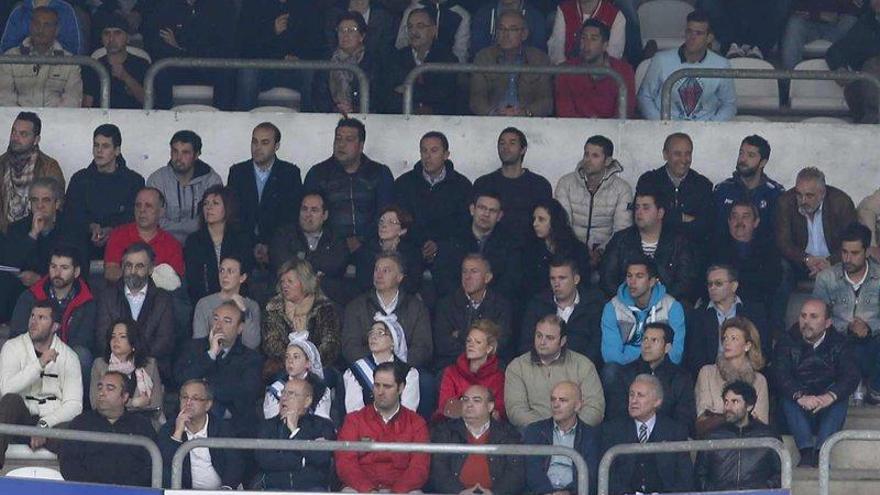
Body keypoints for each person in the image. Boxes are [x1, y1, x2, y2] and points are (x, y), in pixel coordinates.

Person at [774, 298, 859, 467]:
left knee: (839, 398)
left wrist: (830, 396)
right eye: (803, 316)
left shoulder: (840, 343)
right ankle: (806, 452)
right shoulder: (786, 341)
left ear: (827, 322)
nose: (806, 322)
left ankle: (822, 452)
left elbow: (851, 375)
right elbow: (779, 375)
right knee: (788, 398)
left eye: (813, 317)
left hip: (825, 410)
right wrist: (800, 396)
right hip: (796, 411)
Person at [0, 301, 82, 467]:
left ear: (55, 326)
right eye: (32, 316)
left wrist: (45, 424)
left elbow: (74, 405)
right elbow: (6, 389)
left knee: (77, 428)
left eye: (42, 318)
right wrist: (39, 364)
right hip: (20, 421)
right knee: (10, 401)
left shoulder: (69, 356)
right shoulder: (12, 347)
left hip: (52, 426)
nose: (33, 322)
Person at [336, 361, 431, 492]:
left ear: (401, 388)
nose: (380, 392)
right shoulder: (354, 420)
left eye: (387, 386)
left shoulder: (416, 423)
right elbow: (345, 463)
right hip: (361, 490)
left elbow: (419, 467)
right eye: (376, 385)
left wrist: (397, 491)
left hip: (402, 491)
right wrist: (368, 490)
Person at [0, 177, 86, 322]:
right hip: (21, 296)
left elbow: (80, 270)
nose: (39, 206)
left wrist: (41, 280)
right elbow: (9, 265)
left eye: (46, 200)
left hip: (59, 294)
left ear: (57, 203)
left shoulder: (73, 230)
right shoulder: (17, 229)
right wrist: (32, 235)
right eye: (34, 200)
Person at [175, 301, 264, 437]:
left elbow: (246, 393)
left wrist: (204, 386)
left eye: (227, 321)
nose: (218, 325)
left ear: (240, 328)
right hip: (190, 422)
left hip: (233, 428)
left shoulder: (251, 358)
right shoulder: (193, 348)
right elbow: (181, 379)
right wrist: (210, 355)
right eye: (215, 318)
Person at [303, 118, 394, 251]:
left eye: (349, 140)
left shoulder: (379, 173)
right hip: (329, 244)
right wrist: (338, 242)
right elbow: (311, 215)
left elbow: (386, 213)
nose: (341, 145)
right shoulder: (318, 174)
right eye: (338, 139)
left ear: (361, 145)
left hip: (371, 243)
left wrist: (361, 239)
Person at [813, 222, 880, 402]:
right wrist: (847, 327)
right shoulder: (827, 278)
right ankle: (854, 387)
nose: (848, 258)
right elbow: (817, 317)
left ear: (867, 252)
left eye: (855, 253)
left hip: (874, 340)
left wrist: (869, 328)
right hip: (838, 339)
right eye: (844, 252)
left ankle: (874, 388)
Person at [10, 246, 96, 382]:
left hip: (69, 355)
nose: (57, 272)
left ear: (76, 272)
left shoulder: (87, 301)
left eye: (64, 268)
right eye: (53, 266)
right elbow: (17, 333)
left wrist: (55, 355)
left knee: (82, 355)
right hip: (34, 353)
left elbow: (85, 339)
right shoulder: (30, 296)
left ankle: (78, 402)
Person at [599, 374, 694, 495]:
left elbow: (685, 478)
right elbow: (608, 475)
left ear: (657, 401)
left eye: (640, 395)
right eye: (631, 394)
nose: (633, 400)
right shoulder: (612, 430)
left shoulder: (675, 431)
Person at [393, 131, 473, 272]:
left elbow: (464, 225)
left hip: (447, 249)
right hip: (412, 246)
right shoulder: (404, 184)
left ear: (446, 155)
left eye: (434, 151)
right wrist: (422, 244)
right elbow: (400, 220)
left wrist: (439, 245)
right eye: (424, 151)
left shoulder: (462, 185)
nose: (427, 156)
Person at [505, 314, 605, 428]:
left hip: (577, 436)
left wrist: (570, 427)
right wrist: (548, 430)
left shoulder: (583, 365)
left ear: (563, 341)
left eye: (549, 338)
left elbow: (595, 408)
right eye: (539, 336)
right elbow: (516, 410)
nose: (542, 342)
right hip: (533, 435)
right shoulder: (517, 367)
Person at [599, 187, 697, 302]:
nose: (639, 212)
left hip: (667, 307)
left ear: (660, 213)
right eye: (637, 207)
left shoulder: (679, 242)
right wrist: (629, 300)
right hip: (624, 306)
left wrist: (657, 301)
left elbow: (684, 283)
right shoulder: (620, 240)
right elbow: (607, 279)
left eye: (646, 208)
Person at [59, 371, 156, 486]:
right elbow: (68, 463)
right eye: (100, 388)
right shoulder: (81, 423)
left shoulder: (141, 425)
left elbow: (150, 466)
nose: (101, 393)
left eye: (110, 389)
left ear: (124, 397)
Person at [600, 258, 687, 385]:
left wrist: (640, 357)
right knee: (610, 370)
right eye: (629, 276)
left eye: (639, 276)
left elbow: (676, 353)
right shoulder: (612, 307)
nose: (632, 282)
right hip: (626, 368)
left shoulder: (672, 306)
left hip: (660, 368)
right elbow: (611, 356)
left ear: (652, 281)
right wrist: (648, 358)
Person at [637, 10, 736, 121]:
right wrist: (661, 124)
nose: (692, 37)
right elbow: (644, 97)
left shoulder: (722, 65)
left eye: (698, 33)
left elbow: (729, 104)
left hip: (705, 131)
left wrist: (710, 127)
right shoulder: (661, 60)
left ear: (709, 38)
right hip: (665, 129)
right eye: (689, 31)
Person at [96, 242, 175, 381]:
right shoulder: (107, 296)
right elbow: (102, 337)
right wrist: (121, 360)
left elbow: (165, 340)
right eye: (128, 266)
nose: (133, 271)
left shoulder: (163, 298)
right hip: (114, 365)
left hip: (151, 366)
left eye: (139, 266)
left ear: (151, 269)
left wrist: (135, 360)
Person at [64, 124, 145, 259]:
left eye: (105, 146)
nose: (99, 151)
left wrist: (111, 230)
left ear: (117, 150)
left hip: (121, 242)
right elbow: (71, 214)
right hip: (83, 241)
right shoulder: (80, 179)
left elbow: (134, 217)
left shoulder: (134, 181)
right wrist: (90, 227)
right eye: (96, 145)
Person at [227, 122, 302, 265]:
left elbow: (290, 215)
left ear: (276, 146)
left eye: (265, 143)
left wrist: (269, 245)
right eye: (254, 142)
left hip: (279, 246)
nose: (257, 148)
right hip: (243, 245)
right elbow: (234, 215)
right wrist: (252, 244)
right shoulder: (237, 173)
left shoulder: (290, 174)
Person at [142, 0, 237, 109]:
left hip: (208, 67)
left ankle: (222, 122)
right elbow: (160, 44)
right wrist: (184, 48)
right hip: (178, 67)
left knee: (226, 73)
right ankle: (164, 120)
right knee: (161, 72)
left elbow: (220, 46)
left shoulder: (218, 7)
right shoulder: (165, 7)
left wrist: (180, 46)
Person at [342, 253, 432, 368]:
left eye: (386, 271)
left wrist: (398, 366)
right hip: (368, 369)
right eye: (376, 270)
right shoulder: (356, 306)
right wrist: (377, 362)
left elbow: (423, 347)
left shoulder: (416, 307)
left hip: (404, 369)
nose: (379, 275)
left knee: (426, 381)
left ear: (400, 277)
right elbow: (350, 347)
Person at [430, 384, 524, 494]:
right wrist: (459, 492)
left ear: (490, 406)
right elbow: (438, 469)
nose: (469, 404)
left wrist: (495, 493)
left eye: (476, 400)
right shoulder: (445, 431)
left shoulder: (508, 433)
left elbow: (516, 472)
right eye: (465, 400)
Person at [235, 0, 327, 111]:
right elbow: (244, 45)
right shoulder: (254, 5)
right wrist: (271, 30)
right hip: (264, 68)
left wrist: (299, 58)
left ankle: (309, 123)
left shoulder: (307, 6)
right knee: (247, 74)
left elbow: (317, 44)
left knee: (310, 73)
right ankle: (244, 123)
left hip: (296, 70)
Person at [555, 134, 633, 264]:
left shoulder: (622, 189)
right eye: (586, 154)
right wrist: (580, 251)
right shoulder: (565, 183)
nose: (588, 159)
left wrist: (600, 252)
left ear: (607, 161)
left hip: (608, 254)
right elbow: (563, 224)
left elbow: (622, 230)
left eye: (595, 156)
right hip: (571, 251)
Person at [607, 323, 695, 434]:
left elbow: (685, 419)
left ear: (667, 347)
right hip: (629, 439)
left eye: (654, 340)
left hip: (667, 440)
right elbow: (616, 413)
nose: (647, 345)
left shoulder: (681, 377)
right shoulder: (625, 374)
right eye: (645, 339)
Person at [434, 191, 522, 301]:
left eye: (492, 211)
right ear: (472, 209)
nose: (486, 214)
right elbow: (443, 275)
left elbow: (510, 282)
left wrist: (483, 300)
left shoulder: (510, 243)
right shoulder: (452, 237)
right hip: (455, 304)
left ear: (499, 216)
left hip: (494, 306)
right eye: (482, 208)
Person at [695, 380, 781, 491]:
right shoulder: (712, 436)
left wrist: (762, 490)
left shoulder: (768, 436)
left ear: (749, 406)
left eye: (735, 402)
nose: (728, 407)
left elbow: (780, 474)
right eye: (726, 401)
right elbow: (700, 475)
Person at [157, 379, 244, 489]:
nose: (188, 403)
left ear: (208, 405)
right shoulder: (168, 429)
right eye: (184, 397)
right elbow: (165, 467)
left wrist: (226, 488)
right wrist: (178, 433)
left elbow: (235, 464)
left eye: (195, 398)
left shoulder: (223, 428)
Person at [255, 377, 337, 491]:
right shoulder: (268, 426)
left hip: (311, 488)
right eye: (283, 393)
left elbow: (321, 458)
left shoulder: (321, 425)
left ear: (307, 401)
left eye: (291, 394)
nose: (284, 398)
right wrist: (302, 460)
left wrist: (294, 431)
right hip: (276, 488)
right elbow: (263, 460)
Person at [686, 264, 771, 375]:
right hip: (710, 376)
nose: (712, 288)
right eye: (709, 284)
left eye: (718, 283)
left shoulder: (755, 312)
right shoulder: (697, 316)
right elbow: (694, 358)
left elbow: (762, 349)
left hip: (748, 374)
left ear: (734, 286)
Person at [635, 132, 714, 251]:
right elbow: (641, 218)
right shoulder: (649, 181)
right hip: (654, 250)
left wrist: (663, 216)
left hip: (691, 253)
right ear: (665, 155)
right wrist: (681, 217)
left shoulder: (702, 185)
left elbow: (704, 227)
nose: (684, 159)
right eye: (677, 154)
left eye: (688, 154)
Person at [776, 167, 857, 280]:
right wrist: (806, 259)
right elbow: (783, 242)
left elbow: (852, 242)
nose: (803, 201)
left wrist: (829, 262)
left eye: (809, 196)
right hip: (800, 263)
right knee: (780, 267)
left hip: (835, 263)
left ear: (822, 193)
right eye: (799, 194)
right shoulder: (786, 202)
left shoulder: (841, 203)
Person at [474, 127, 553, 243]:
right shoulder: (484, 183)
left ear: (523, 150)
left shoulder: (540, 185)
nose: (505, 147)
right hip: (491, 248)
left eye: (512, 143)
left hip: (529, 249)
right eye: (502, 143)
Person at [269, 192, 350, 304]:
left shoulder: (335, 238)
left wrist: (302, 265)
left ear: (325, 215)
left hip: (325, 297)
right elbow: (281, 262)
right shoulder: (284, 234)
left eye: (314, 210)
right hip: (287, 298)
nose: (308, 214)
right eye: (304, 209)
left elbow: (336, 265)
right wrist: (314, 273)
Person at [263, 259, 342, 374]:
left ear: (304, 282)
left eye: (290, 281)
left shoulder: (324, 309)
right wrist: (294, 359)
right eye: (282, 281)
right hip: (283, 368)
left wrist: (306, 359)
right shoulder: (273, 309)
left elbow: (331, 346)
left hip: (318, 368)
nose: (285, 285)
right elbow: (271, 345)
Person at [433, 254, 511, 369]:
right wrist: (479, 346)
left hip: (489, 365)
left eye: (474, 272)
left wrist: (459, 335)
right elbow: (442, 343)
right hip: (454, 364)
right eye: (464, 272)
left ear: (488, 277)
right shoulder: (447, 304)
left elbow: (501, 342)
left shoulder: (500, 305)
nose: (467, 277)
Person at [694, 317, 769, 437]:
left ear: (747, 345)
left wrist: (720, 416)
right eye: (725, 338)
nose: (727, 342)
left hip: (750, 445)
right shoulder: (707, 373)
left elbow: (761, 424)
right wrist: (741, 417)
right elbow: (703, 421)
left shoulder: (759, 380)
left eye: (734, 338)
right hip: (715, 442)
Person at [523, 381, 600, 495]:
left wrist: (569, 493)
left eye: (563, 400)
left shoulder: (590, 435)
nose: (556, 404)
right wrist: (547, 492)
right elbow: (531, 470)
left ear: (577, 406)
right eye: (553, 399)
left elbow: (591, 475)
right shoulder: (535, 430)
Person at [147, 130, 224, 244]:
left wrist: (173, 227)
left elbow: (213, 220)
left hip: (202, 243)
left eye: (185, 152)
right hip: (163, 243)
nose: (178, 158)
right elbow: (153, 220)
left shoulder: (212, 180)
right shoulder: (156, 180)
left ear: (196, 155)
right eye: (175, 151)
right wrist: (194, 225)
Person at [470, 11, 553, 117]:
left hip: (529, 121)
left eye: (512, 29)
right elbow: (477, 98)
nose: (505, 34)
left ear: (524, 34)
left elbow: (545, 100)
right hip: (491, 121)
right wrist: (493, 113)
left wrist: (526, 112)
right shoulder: (483, 57)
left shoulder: (539, 59)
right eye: (501, 29)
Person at [521, 257, 603, 364]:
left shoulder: (593, 306)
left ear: (576, 279)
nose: (556, 284)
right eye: (552, 279)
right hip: (542, 369)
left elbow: (596, 346)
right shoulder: (538, 304)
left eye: (562, 278)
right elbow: (526, 343)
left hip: (580, 370)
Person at [183, 185, 254, 304]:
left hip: (236, 302)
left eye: (215, 203)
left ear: (228, 207)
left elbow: (244, 278)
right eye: (205, 204)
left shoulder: (241, 239)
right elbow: (194, 282)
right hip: (204, 303)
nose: (209, 208)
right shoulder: (193, 241)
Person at [0, 7, 82, 108]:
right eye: (36, 23)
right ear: (30, 26)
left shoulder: (70, 62)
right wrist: (24, 121)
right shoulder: (10, 58)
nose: (40, 29)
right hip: (18, 121)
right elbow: (4, 98)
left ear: (57, 30)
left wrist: (55, 119)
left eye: (47, 25)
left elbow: (73, 100)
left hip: (57, 121)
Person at [555, 19, 636, 118]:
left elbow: (625, 112)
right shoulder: (566, 70)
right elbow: (565, 112)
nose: (586, 44)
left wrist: (602, 128)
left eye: (593, 39)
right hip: (575, 130)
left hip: (613, 131)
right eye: (583, 38)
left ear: (605, 45)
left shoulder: (624, 71)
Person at [89, 319, 164, 426]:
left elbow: (156, 404)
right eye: (113, 336)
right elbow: (95, 403)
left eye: (122, 336)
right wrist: (134, 402)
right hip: (108, 421)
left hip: (141, 422)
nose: (116, 340)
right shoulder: (100, 365)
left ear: (134, 342)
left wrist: (124, 404)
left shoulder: (149, 365)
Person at [103, 187, 185, 283]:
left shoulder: (173, 245)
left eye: (148, 206)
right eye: (138, 205)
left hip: (160, 296)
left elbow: (175, 282)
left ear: (161, 212)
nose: (142, 210)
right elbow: (110, 272)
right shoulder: (118, 235)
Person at [384, 7, 458, 114]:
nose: (414, 31)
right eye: (410, 27)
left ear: (433, 30)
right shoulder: (396, 58)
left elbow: (444, 95)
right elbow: (389, 96)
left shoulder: (447, 59)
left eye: (420, 26)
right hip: (402, 120)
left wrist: (408, 90)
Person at [712, 135, 785, 242]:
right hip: (726, 253)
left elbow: (780, 235)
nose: (743, 159)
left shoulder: (775, 194)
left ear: (763, 162)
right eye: (741, 153)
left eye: (751, 155)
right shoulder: (723, 190)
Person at [710, 201, 782, 310]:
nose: (739, 222)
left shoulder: (768, 249)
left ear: (756, 222)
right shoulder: (715, 249)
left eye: (745, 217)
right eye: (735, 217)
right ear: (729, 222)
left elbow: (770, 282)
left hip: (758, 308)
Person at [0, 112, 64, 233]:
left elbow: (57, 207)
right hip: (5, 237)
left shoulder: (49, 167)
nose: (15, 137)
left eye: (23, 134)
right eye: (13, 132)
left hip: (39, 236)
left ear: (36, 139)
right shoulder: (1, 164)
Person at [343, 320, 421, 413]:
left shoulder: (408, 373)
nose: (373, 337)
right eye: (371, 333)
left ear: (393, 341)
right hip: (364, 425)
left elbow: (408, 411)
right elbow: (354, 411)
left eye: (380, 333)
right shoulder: (356, 371)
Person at [435, 321, 506, 421]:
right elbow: (446, 407)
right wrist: (481, 408)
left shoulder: (498, 378)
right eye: (469, 341)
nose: (471, 345)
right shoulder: (451, 372)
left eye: (477, 342)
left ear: (489, 348)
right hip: (452, 428)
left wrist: (461, 404)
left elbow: (498, 412)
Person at [521, 200, 590, 299]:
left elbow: (583, 283)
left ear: (554, 221)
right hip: (539, 302)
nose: (535, 224)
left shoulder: (577, 250)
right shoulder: (529, 249)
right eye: (534, 219)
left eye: (541, 219)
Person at [192, 255, 261, 350]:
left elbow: (252, 343)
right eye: (222, 270)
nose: (224, 276)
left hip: (242, 361)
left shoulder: (252, 306)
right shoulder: (204, 303)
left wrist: (245, 311)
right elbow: (198, 343)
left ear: (242, 277)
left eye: (231, 271)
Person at [827, 0, 880, 123]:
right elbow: (835, 51)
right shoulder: (868, 23)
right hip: (870, 90)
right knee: (864, 74)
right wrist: (839, 67)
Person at [352, 205, 424, 295]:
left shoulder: (412, 253)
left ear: (403, 230)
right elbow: (364, 283)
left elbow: (413, 284)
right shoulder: (366, 251)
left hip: (403, 299)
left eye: (391, 222)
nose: (384, 225)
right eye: (381, 221)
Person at [321, 12, 384, 113]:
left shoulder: (374, 61)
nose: (345, 34)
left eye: (352, 30)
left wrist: (355, 108)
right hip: (331, 116)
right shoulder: (327, 60)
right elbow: (319, 93)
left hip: (368, 117)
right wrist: (335, 108)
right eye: (341, 30)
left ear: (362, 36)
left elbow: (380, 95)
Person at [82, 13, 148, 109]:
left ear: (128, 38)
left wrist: (126, 77)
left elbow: (149, 102)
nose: (111, 39)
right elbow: (87, 106)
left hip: (134, 120)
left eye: (117, 33)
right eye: (106, 33)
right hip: (102, 120)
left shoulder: (141, 64)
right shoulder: (93, 67)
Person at [780, 0, 859, 73]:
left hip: (837, 25)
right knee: (794, 24)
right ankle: (790, 80)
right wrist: (818, 15)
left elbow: (857, 8)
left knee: (852, 21)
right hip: (808, 25)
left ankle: (849, 79)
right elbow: (793, 7)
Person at [264, 338, 333, 420]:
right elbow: (272, 422)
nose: (290, 361)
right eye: (287, 357)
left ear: (308, 363)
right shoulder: (276, 389)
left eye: (296, 357)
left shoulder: (320, 389)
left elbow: (322, 421)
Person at [548, 0, 625, 64]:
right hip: (568, 74)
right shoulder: (564, 10)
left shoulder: (616, 16)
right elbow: (557, 51)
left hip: (600, 76)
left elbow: (612, 57)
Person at [394, 0, 470, 63]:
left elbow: (461, 53)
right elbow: (401, 43)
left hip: (445, 69)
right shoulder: (412, 9)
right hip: (408, 66)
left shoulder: (461, 14)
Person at [0, 0, 83, 55]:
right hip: (22, 67)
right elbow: (7, 48)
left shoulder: (66, 11)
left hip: (57, 68)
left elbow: (73, 49)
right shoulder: (20, 11)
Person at [471, 0, 547, 57]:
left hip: (526, 72)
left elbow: (538, 53)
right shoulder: (483, 14)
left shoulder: (535, 17)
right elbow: (478, 50)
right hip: (489, 70)